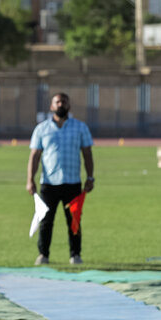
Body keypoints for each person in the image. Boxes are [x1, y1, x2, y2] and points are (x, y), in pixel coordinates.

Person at [27, 92, 94, 265]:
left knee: (74, 221)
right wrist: (30, 179)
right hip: (49, 183)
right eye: (57, 102)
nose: (60, 105)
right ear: (51, 106)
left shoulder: (80, 127)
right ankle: (43, 255)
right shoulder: (42, 129)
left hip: (72, 182)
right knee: (46, 221)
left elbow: (87, 153)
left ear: (69, 106)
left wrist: (90, 177)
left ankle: (75, 255)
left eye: (64, 102)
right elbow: (34, 155)